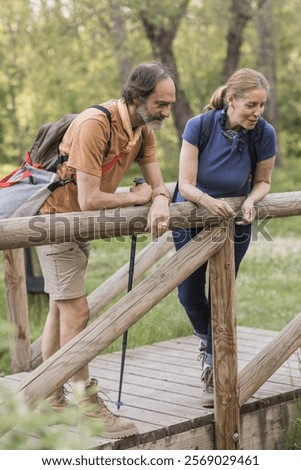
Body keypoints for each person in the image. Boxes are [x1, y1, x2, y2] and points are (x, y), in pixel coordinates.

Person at [35, 61, 176, 438]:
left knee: (60, 307)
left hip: (78, 224)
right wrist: (135, 197)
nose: (167, 112)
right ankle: (87, 402)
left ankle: (48, 394)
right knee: (77, 311)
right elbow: (90, 197)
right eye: (161, 104)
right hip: (54, 221)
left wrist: (159, 200)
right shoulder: (94, 124)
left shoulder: (143, 130)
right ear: (137, 96)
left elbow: (157, 184)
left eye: (169, 104)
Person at [172, 68, 277, 408]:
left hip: (235, 222)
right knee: (188, 293)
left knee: (222, 294)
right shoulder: (199, 126)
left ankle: (215, 371)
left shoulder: (263, 134)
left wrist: (249, 200)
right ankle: (209, 345)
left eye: (261, 105)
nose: (257, 112)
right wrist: (207, 202)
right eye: (251, 104)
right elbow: (186, 183)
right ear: (231, 100)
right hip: (192, 215)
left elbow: (263, 181)